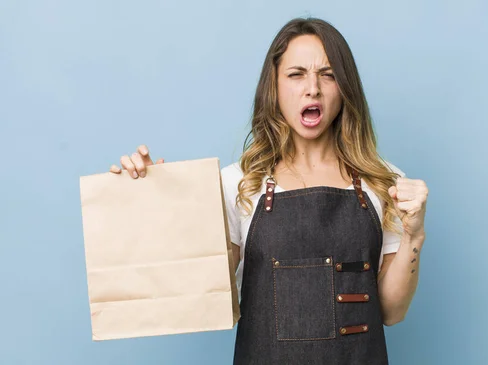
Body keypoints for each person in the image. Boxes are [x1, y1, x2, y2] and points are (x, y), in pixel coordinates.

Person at [110, 17, 428, 365]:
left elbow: (392, 311)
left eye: (328, 74)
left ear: (345, 87)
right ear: (273, 88)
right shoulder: (239, 183)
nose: (313, 89)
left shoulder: (384, 182)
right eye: (296, 74)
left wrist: (414, 236)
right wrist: (154, 201)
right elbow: (206, 298)